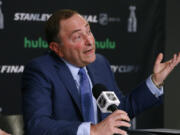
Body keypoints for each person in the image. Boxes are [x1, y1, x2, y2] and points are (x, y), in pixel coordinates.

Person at [22, 9, 180, 135]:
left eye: (89, 31)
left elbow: (119, 110)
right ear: (57, 48)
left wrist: (155, 81)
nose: (89, 41)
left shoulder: (99, 63)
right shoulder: (41, 70)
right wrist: (93, 131)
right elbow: (37, 126)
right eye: (77, 37)